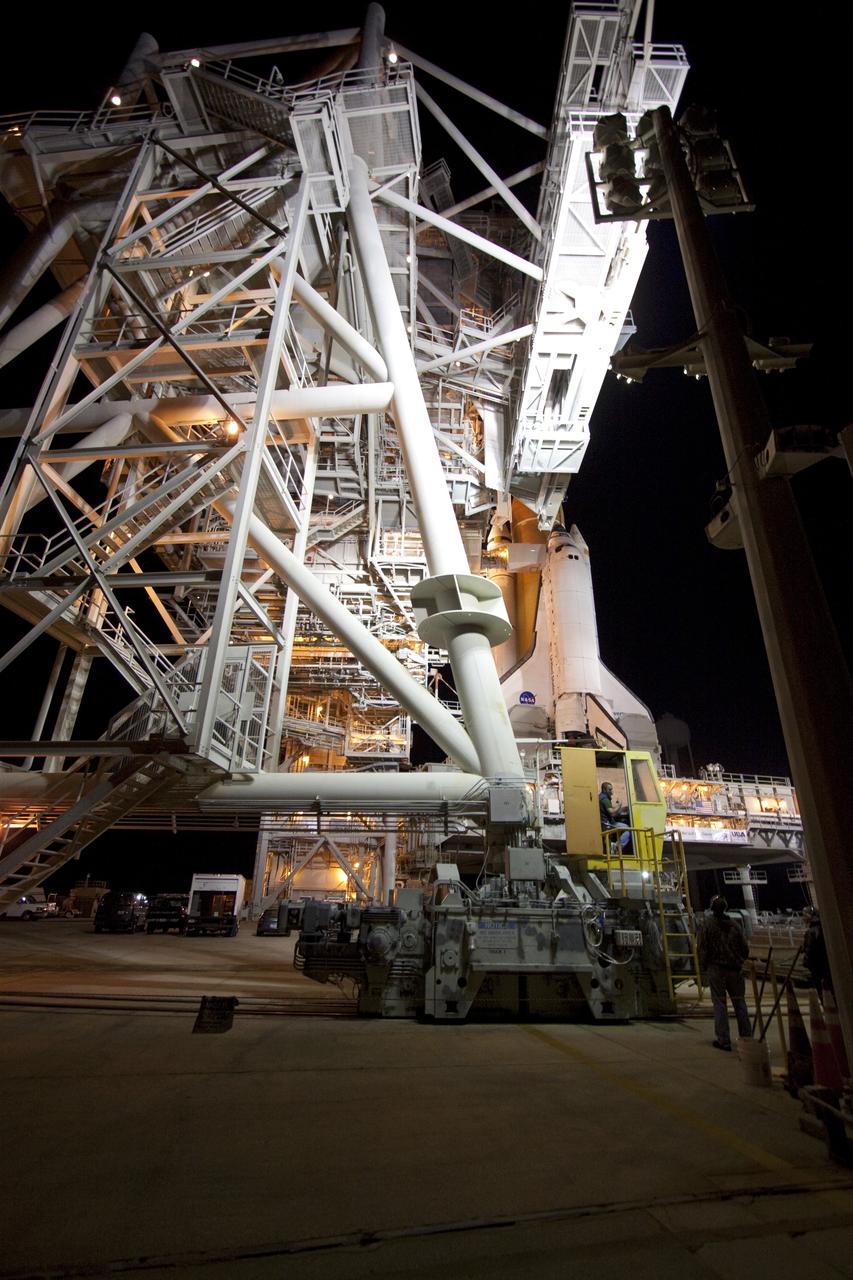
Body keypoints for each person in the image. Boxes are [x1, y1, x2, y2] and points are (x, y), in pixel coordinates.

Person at [697, 895, 751, 1051]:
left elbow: (702, 948)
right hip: (735, 970)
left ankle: (723, 1040)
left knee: (720, 1004)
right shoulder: (735, 926)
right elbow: (745, 949)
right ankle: (747, 1038)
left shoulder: (708, 925)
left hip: (716, 969)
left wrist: (703, 968)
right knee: (740, 1003)